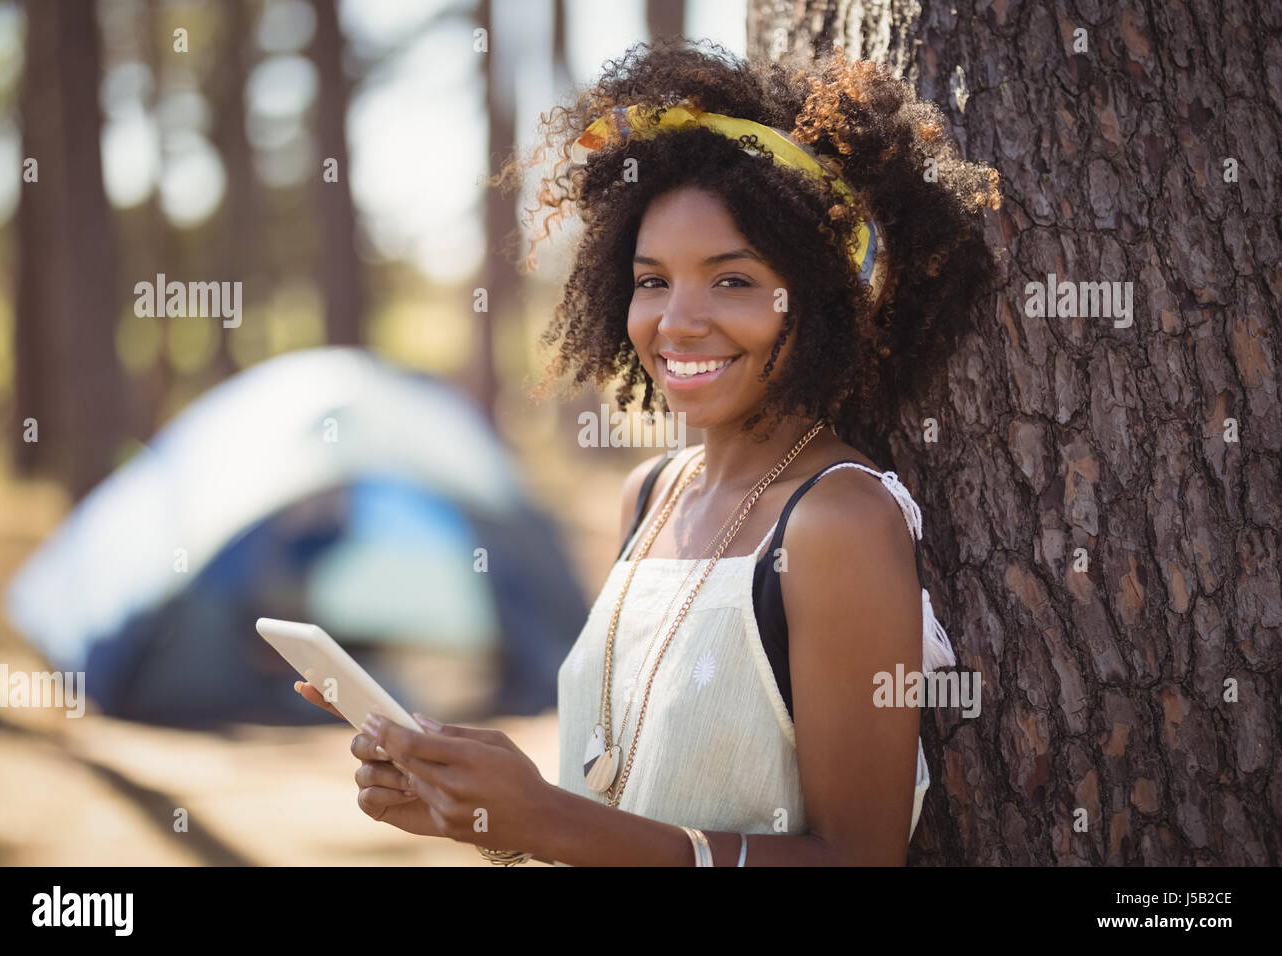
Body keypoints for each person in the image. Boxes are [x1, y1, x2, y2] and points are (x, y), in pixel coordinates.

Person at [297, 37, 1000, 865]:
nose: (677, 322)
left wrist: (548, 820)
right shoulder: (651, 494)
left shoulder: (836, 521)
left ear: (820, 300)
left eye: (732, 280)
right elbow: (626, 799)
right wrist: (491, 816)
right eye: (652, 279)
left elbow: (854, 858)